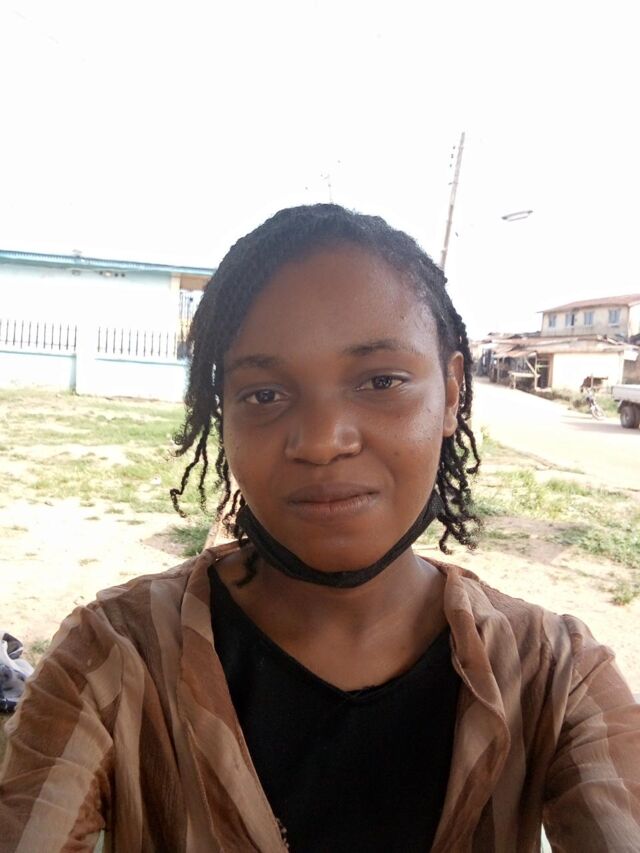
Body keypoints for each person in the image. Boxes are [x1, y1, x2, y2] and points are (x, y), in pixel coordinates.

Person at [0, 204, 638, 851]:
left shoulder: (556, 677)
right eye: (265, 394)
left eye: (381, 380)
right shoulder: (109, 660)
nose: (322, 440)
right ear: (225, 414)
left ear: (450, 394)